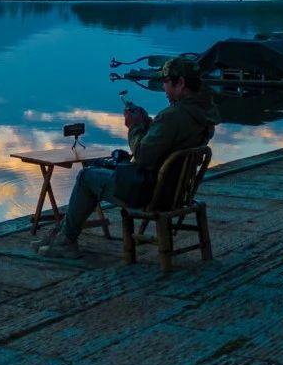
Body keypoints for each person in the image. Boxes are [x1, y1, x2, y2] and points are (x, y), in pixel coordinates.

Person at [36, 56, 220, 259]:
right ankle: (58, 235)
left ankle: (65, 241)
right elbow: (170, 141)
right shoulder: (204, 113)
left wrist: (134, 126)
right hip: (177, 190)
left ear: (181, 83)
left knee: (86, 177)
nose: (164, 88)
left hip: (152, 193)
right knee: (100, 165)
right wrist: (149, 124)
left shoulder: (173, 116)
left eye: (165, 82)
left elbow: (141, 155)